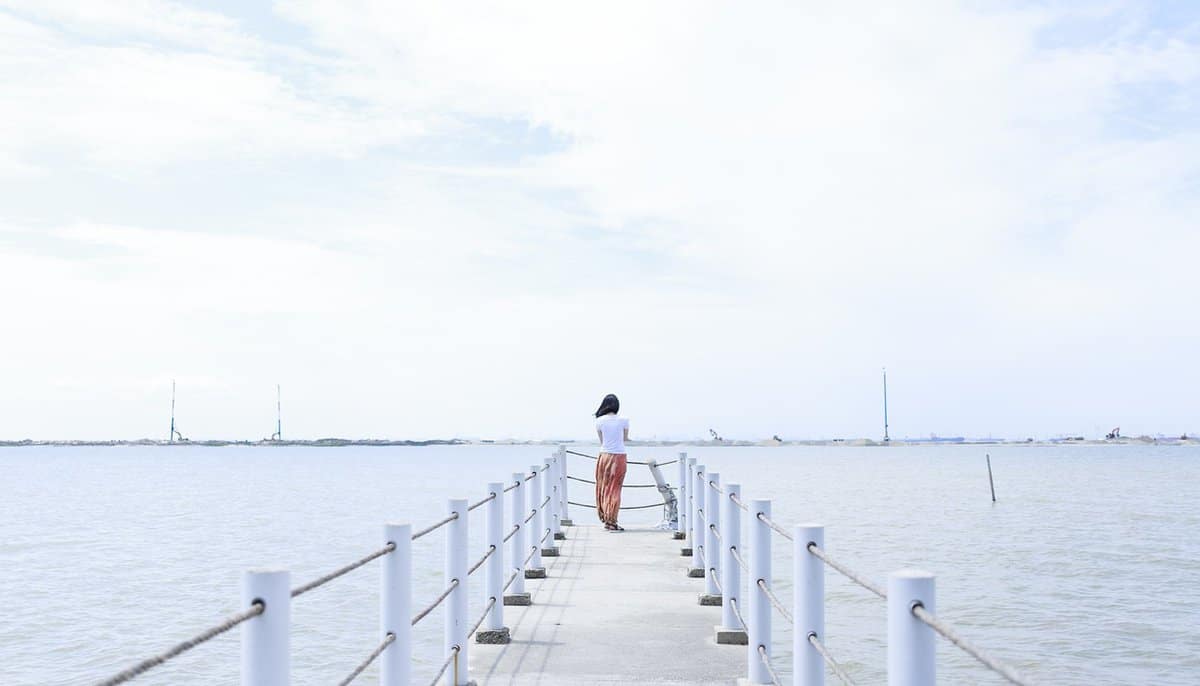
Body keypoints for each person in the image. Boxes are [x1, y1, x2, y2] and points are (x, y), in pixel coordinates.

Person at [593, 393, 629, 531]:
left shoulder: (599, 421)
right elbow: (624, 439)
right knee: (615, 489)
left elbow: (602, 441)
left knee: (603, 488)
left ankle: (606, 519)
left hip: (604, 457)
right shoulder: (624, 420)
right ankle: (612, 521)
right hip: (618, 456)